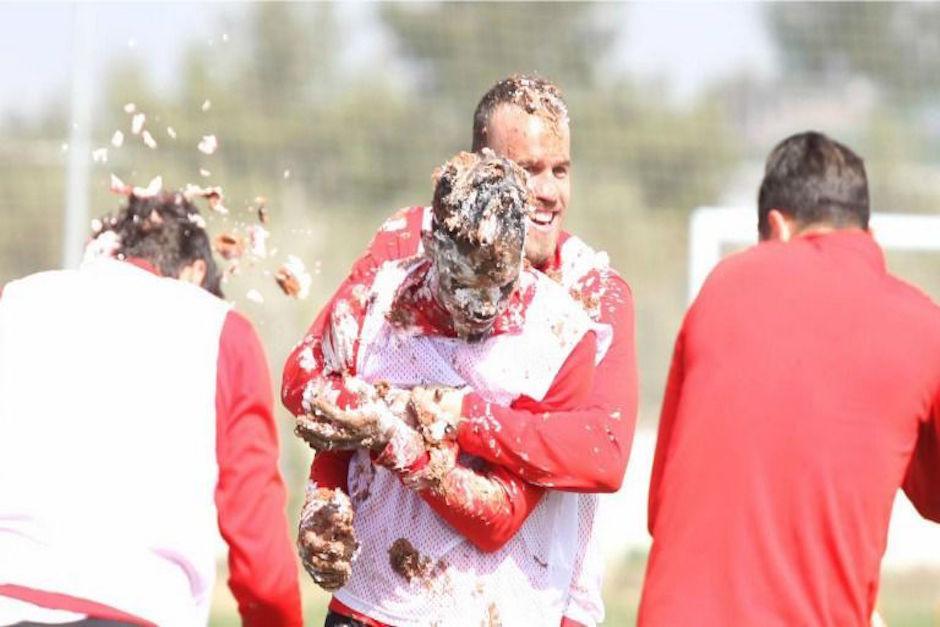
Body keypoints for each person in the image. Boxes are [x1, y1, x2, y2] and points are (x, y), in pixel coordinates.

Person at [284, 150, 608, 626]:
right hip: (369, 607)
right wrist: (324, 502)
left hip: (491, 611)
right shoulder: (372, 305)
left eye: (499, 283)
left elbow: (498, 518)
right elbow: (325, 415)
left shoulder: (560, 339)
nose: (482, 304)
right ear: (432, 245)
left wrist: (394, 438)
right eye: (465, 281)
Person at [639, 131, 940, 626]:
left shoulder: (722, 288)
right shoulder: (922, 327)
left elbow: (661, 511)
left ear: (775, 227)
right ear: (868, 231)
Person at [0, 190, 302, 626]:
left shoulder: (18, 301)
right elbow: (259, 546)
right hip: (141, 606)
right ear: (197, 271)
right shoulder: (222, 329)